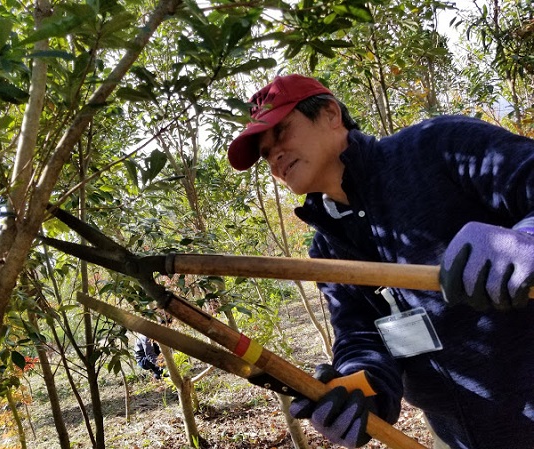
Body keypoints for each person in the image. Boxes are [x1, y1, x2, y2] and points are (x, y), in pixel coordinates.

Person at [227, 74, 534, 449]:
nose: (274, 157)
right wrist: (360, 388)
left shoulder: (439, 146)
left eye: (282, 132)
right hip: (458, 435)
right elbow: (360, 334)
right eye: (264, 153)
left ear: (330, 114)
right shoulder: (327, 249)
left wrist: (526, 237)